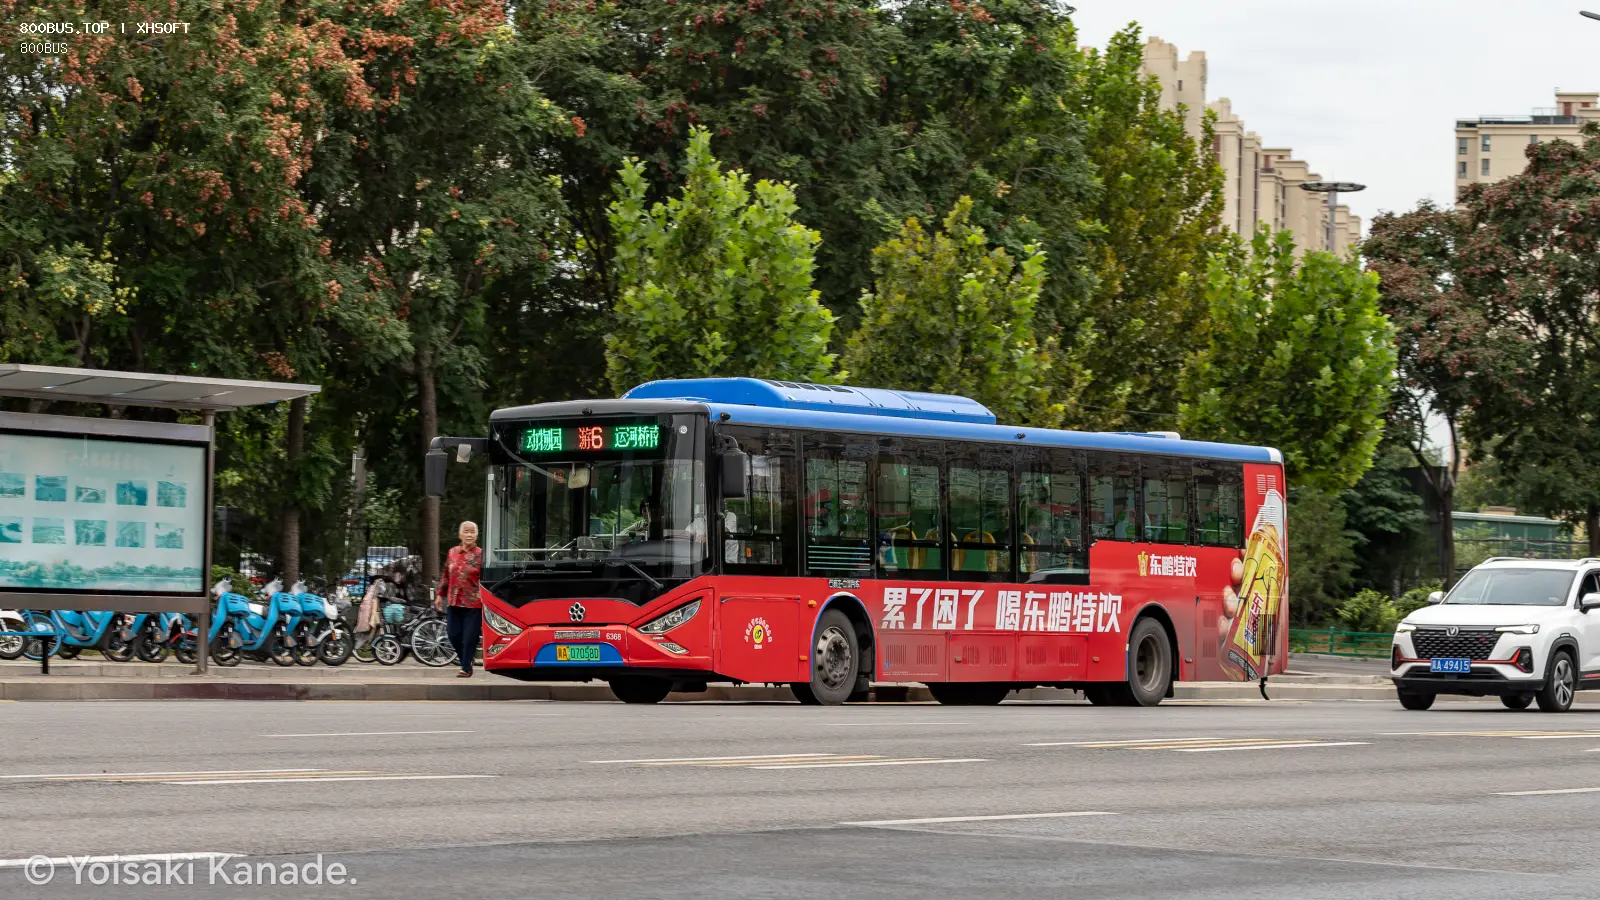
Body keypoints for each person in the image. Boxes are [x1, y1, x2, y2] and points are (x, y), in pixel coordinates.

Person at [436, 521, 484, 678]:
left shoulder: (481, 554)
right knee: (453, 634)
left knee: (469, 637)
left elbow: (485, 579)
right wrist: (439, 595)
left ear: (476, 535)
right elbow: (446, 575)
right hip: (454, 600)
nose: (469, 535)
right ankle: (466, 660)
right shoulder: (452, 552)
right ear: (460, 535)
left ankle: (465, 667)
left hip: (473, 603)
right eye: (466, 532)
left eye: (472, 532)